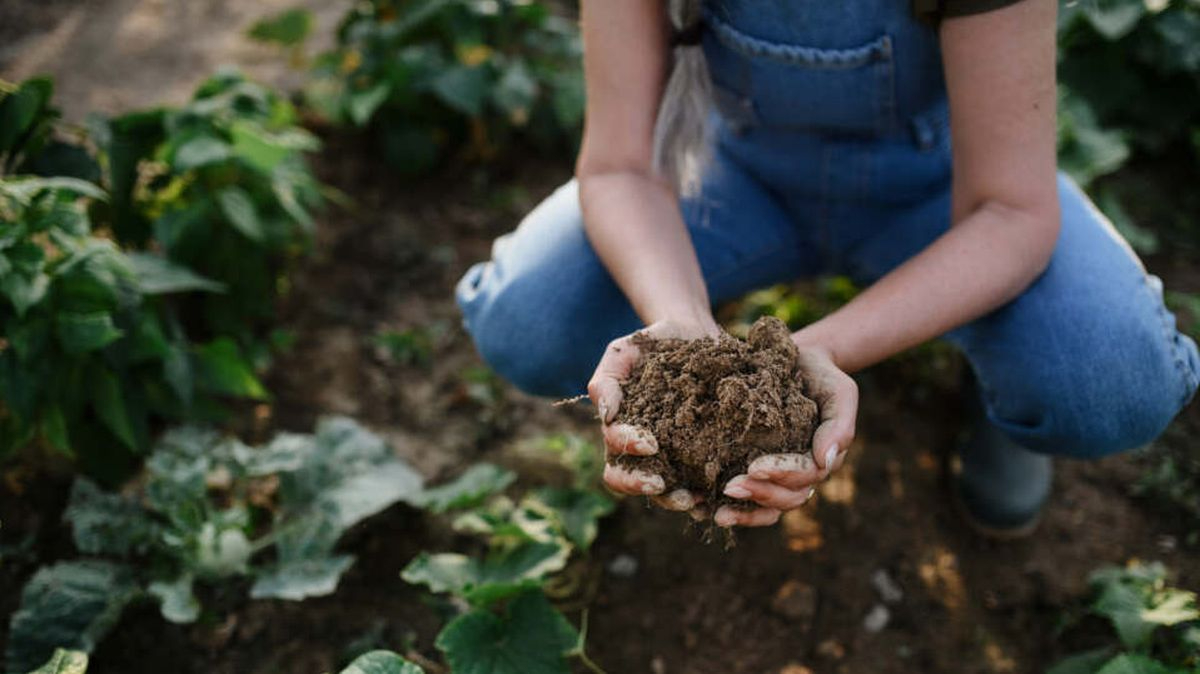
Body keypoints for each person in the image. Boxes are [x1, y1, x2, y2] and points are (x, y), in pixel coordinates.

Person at [455, 0, 1200, 536]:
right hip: (732, 174)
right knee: (532, 322)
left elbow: (1011, 210)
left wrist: (817, 352)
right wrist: (678, 328)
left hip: (947, 193)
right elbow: (620, 166)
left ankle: (1005, 404)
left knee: (1108, 382)